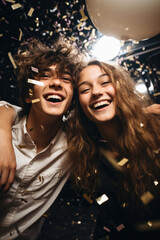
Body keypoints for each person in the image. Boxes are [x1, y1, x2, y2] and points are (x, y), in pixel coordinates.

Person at [0, 37, 83, 240]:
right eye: (45, 76)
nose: (55, 82)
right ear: (29, 94)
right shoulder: (6, 124)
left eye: (66, 79)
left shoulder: (75, 144)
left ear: (72, 99)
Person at [66, 60, 160, 239]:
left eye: (105, 82)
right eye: (85, 90)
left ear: (120, 88)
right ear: (79, 106)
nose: (96, 92)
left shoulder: (156, 131)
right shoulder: (86, 157)